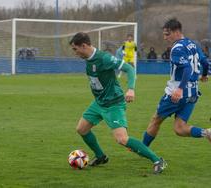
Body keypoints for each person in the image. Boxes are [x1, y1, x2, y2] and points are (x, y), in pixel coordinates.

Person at [69, 32, 165, 174]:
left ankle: (158, 160)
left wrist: (131, 89)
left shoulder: (104, 58)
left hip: (113, 103)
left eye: (75, 49)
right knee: (81, 129)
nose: (75, 53)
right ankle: (101, 156)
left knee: (122, 139)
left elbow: (129, 68)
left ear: (83, 46)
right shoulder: (89, 59)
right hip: (99, 102)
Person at [142, 18, 211, 154]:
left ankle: (142, 149)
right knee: (179, 128)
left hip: (177, 93)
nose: (165, 37)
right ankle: (207, 133)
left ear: (176, 32)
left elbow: (187, 69)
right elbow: (205, 63)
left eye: (167, 34)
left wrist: (179, 88)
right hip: (193, 93)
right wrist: (204, 75)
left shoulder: (177, 48)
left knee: (155, 120)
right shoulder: (193, 44)